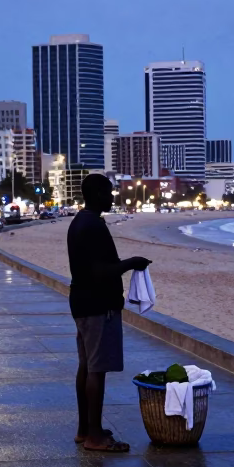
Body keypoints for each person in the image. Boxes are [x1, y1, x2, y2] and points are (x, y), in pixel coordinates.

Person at [68, 174, 151, 452]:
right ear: (97, 195)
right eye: (108, 192)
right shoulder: (92, 225)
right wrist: (132, 263)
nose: (112, 197)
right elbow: (99, 271)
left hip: (82, 302)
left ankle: (85, 429)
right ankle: (94, 437)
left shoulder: (81, 221)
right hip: (97, 305)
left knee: (87, 366)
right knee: (97, 369)